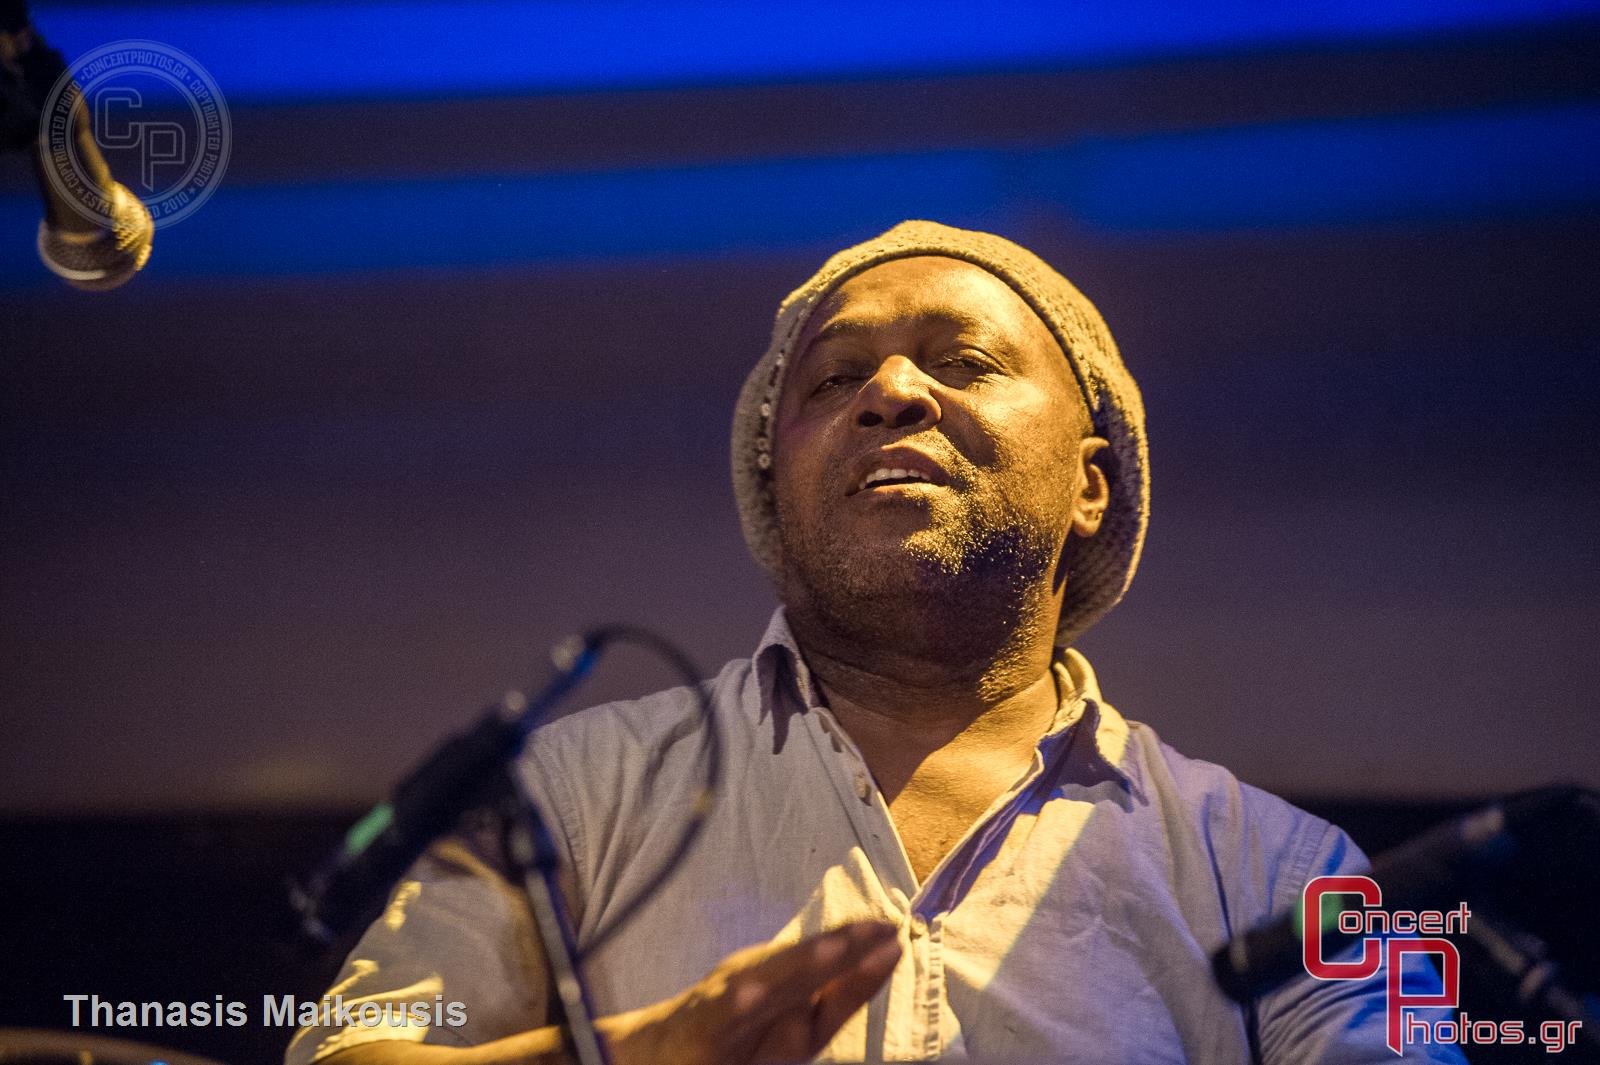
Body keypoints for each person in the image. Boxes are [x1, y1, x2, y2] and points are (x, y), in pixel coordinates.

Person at [287, 221, 1462, 1064]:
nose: (891, 392)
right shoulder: (564, 798)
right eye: (835, 378)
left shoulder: (1288, 870)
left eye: (963, 362)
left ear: (1090, 485)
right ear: (774, 483)